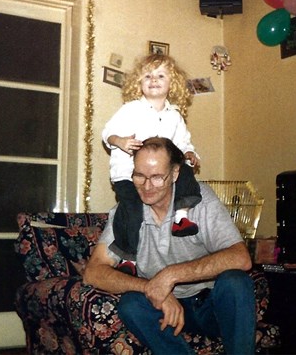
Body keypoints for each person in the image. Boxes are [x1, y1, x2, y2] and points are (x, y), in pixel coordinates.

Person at [84, 137, 256, 354]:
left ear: (175, 174)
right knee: (131, 304)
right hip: (163, 311)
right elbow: (93, 271)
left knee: (235, 282)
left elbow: (241, 258)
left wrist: (170, 275)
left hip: (209, 305)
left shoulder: (199, 200)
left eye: (156, 177)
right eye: (139, 176)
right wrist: (151, 287)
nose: (146, 186)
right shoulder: (126, 212)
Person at [102, 54, 202, 263]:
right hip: (128, 175)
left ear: (172, 84)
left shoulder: (174, 116)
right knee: (133, 209)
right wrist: (119, 141)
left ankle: (181, 217)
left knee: (184, 169)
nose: (154, 80)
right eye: (148, 76)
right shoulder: (130, 110)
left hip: (160, 176)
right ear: (139, 82)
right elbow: (107, 133)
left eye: (160, 76)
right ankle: (130, 259)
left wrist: (190, 154)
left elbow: (183, 143)